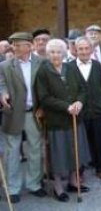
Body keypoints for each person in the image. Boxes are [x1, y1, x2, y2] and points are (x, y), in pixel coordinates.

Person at [35, 39, 91, 202]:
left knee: (76, 150)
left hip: (75, 117)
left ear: (64, 53)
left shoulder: (70, 68)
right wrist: (66, 106)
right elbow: (44, 98)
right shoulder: (43, 71)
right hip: (57, 120)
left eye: (58, 52)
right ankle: (58, 187)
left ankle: (74, 182)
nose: (55, 55)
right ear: (48, 54)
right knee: (59, 154)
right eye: (52, 52)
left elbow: (82, 89)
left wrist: (80, 102)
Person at [0, 32, 46, 204]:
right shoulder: (5, 66)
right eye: (13, 45)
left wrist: (42, 107)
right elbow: (1, 84)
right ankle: (13, 188)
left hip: (34, 113)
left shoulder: (41, 63)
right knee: (13, 152)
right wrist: (2, 94)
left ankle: (34, 184)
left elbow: (45, 86)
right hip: (13, 112)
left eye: (18, 45)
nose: (14, 48)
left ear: (28, 46)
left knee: (35, 149)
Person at [69, 36, 101, 180]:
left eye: (87, 48)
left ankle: (100, 168)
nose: (84, 51)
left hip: (98, 110)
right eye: (81, 49)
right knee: (80, 143)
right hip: (80, 112)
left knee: (100, 141)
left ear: (92, 50)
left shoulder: (98, 65)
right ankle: (79, 172)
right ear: (75, 50)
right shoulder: (70, 67)